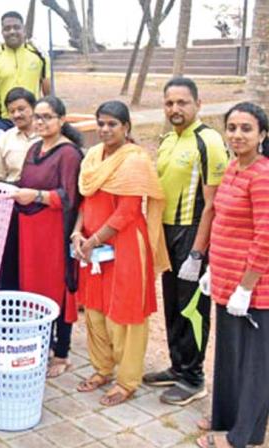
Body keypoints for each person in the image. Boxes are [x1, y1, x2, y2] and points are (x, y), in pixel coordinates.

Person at [73, 101, 169, 406]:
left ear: (126, 127)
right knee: (95, 308)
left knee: (126, 313)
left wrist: (94, 240)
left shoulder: (135, 160)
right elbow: (85, 201)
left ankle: (127, 381)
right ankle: (102, 368)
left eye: (112, 124)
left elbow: (128, 212)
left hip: (126, 245)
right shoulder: (91, 158)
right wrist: (78, 233)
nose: (105, 129)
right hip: (93, 245)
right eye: (101, 123)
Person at [143, 77, 229, 406]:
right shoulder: (167, 140)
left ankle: (194, 379)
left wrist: (198, 252)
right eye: (169, 103)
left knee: (193, 307)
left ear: (198, 105)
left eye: (182, 103)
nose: (175, 109)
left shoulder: (209, 141)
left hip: (193, 233)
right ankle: (178, 366)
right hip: (166, 233)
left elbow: (213, 203)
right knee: (173, 303)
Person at [195, 102, 269, 448]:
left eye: (246, 129)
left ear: (262, 135)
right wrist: (211, 267)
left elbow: (265, 236)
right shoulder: (233, 168)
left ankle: (244, 435)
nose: (237, 135)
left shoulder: (262, 175)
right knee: (228, 355)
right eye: (232, 128)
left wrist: (246, 288)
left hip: (254, 291)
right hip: (225, 281)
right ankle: (226, 416)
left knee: (254, 365)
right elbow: (223, 220)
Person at [10, 95, 83, 377]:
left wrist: (37, 196)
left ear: (61, 120)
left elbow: (69, 197)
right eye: (37, 117)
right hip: (31, 232)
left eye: (47, 117)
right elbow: (24, 184)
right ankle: (40, 344)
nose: (40, 122)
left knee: (58, 290)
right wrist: (0, 185)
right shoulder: (34, 149)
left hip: (55, 232)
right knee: (32, 289)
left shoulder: (69, 154)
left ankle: (62, 353)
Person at [0, 88, 40, 290]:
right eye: (12, 111)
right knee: (11, 256)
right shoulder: (5, 138)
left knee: (36, 257)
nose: (17, 115)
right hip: (12, 206)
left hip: (41, 203)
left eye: (22, 109)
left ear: (33, 109)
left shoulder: (47, 134)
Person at [0, 11, 51, 131]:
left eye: (16, 27)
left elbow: (48, 94)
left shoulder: (40, 57)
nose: (12, 32)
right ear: (2, 32)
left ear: (24, 30)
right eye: (7, 28)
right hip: (2, 121)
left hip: (32, 119)